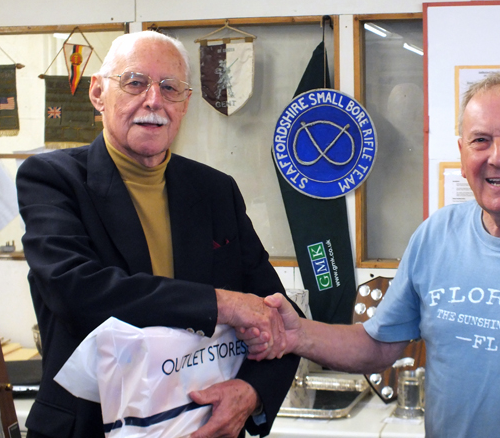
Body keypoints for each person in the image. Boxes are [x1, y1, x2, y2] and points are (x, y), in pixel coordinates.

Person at [247, 72, 500, 437]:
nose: (498, 156)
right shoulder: (436, 237)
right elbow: (378, 347)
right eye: (481, 140)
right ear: (463, 154)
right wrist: (298, 334)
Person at [16, 30, 298, 438]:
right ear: (98, 93)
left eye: (170, 88)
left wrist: (251, 392)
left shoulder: (215, 190)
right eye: (134, 83)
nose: (153, 101)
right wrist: (220, 304)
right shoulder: (53, 179)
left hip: (203, 426)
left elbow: (278, 315)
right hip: (86, 429)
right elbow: (74, 290)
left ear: (184, 105)